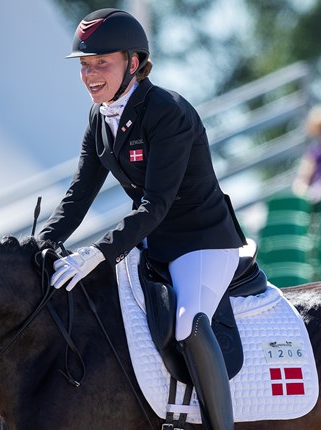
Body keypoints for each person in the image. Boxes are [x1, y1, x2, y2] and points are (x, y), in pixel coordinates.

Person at [37, 9, 243, 429]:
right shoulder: (99, 117)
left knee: (188, 323)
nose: (90, 74)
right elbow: (79, 195)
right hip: (149, 242)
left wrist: (97, 252)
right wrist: (42, 241)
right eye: (84, 64)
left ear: (133, 62)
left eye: (101, 62)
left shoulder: (167, 112)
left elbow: (155, 206)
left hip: (201, 242)